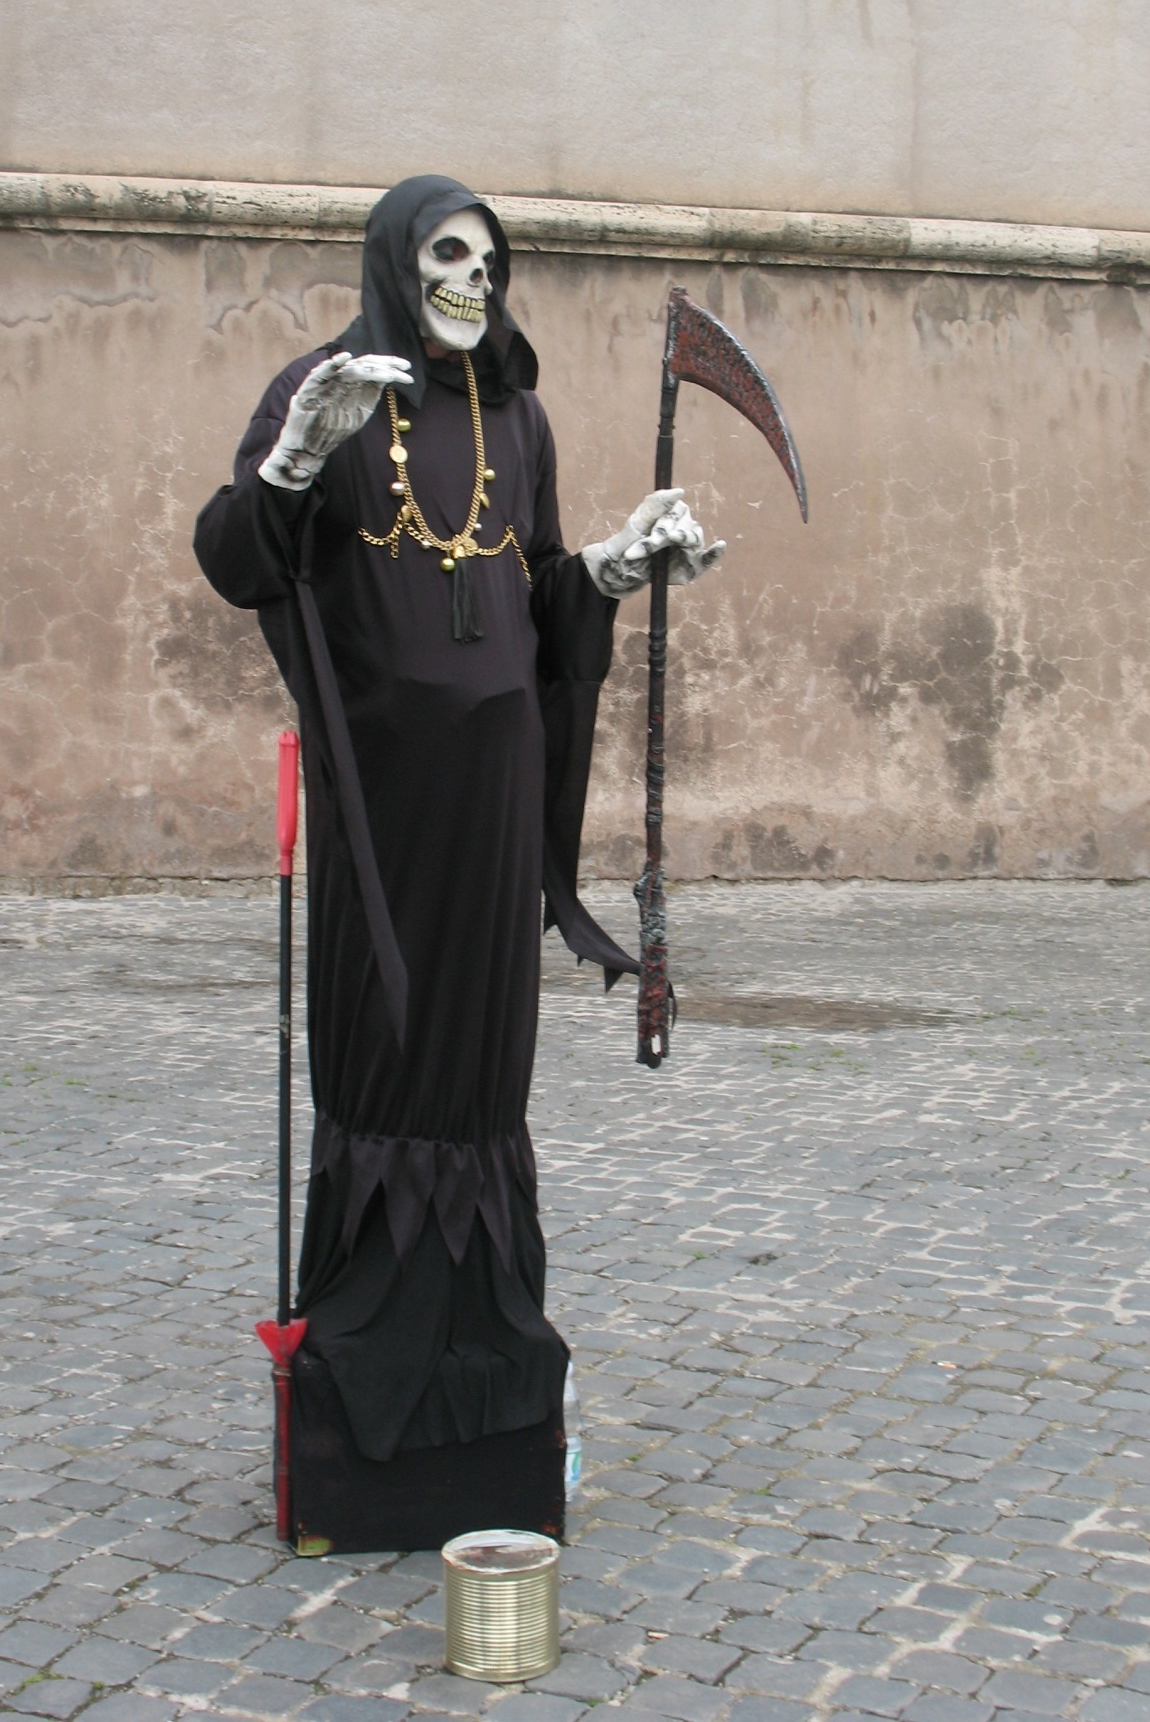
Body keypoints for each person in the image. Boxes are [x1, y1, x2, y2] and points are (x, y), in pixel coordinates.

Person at [194, 174, 722, 1487]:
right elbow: (239, 558)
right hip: (385, 800)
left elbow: (533, 590)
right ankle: (372, 1354)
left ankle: (485, 1353)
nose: (473, 280)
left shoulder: (517, 417)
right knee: (388, 1043)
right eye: (447, 253)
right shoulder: (326, 391)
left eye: (491, 260)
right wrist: (292, 461)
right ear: (396, 261)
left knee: (484, 1070)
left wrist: (606, 570)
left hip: (496, 794)